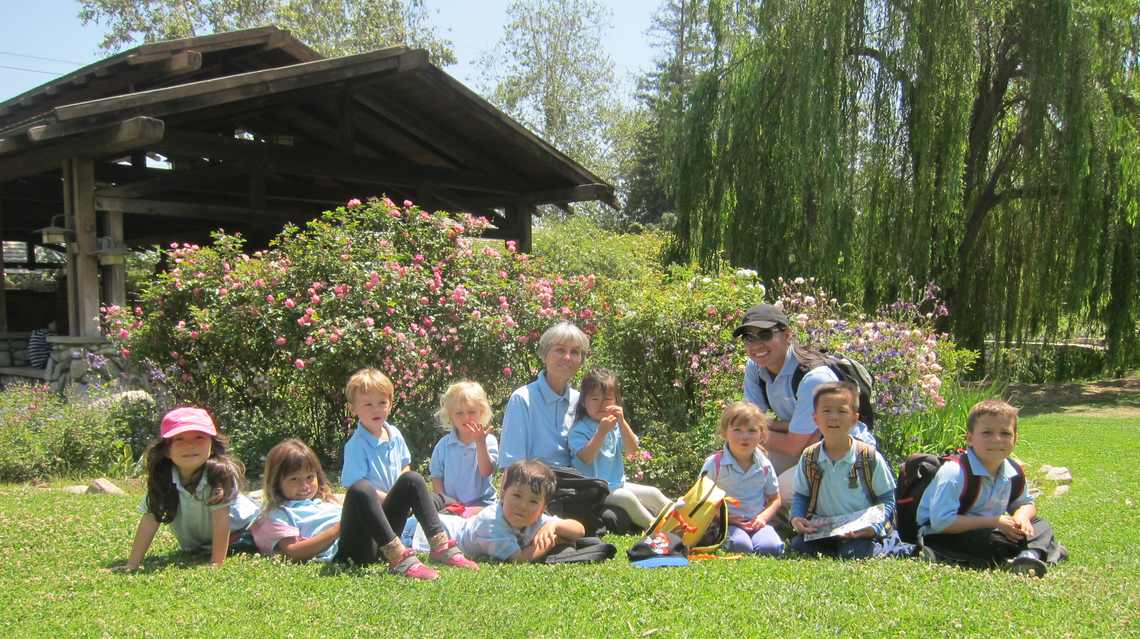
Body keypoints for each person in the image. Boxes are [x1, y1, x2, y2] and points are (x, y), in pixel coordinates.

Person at [252, 439, 477, 579]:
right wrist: (339, 529)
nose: (304, 486)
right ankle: (400, 560)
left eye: (309, 478)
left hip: (377, 541)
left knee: (412, 479)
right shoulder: (278, 513)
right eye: (294, 479)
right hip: (348, 552)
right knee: (361, 488)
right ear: (276, 482)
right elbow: (292, 552)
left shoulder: (324, 500)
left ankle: (440, 547)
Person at [735, 303, 876, 504]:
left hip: (841, 454)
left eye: (765, 334)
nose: (756, 345)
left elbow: (790, 445)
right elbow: (750, 422)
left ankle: (786, 530)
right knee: (734, 467)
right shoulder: (755, 367)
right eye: (748, 338)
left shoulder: (813, 377)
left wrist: (756, 433)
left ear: (787, 335)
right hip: (807, 443)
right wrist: (783, 429)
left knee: (779, 494)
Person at [916, 400, 1066, 577]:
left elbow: (1026, 503)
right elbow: (941, 522)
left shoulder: (1013, 471)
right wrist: (994, 522)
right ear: (970, 439)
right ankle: (1042, 549)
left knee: (1040, 525)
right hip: (945, 534)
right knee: (995, 541)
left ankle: (1028, 556)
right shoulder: (955, 472)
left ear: (1015, 439)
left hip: (993, 526)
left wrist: (1021, 518)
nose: (997, 439)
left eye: (1005, 433)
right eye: (987, 433)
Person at [121, 407, 258, 571]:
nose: (190, 445)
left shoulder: (219, 475)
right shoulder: (163, 478)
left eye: (199, 437)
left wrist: (216, 563)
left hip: (245, 531)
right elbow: (151, 519)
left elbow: (222, 519)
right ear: (166, 450)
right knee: (197, 553)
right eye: (179, 439)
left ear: (212, 445)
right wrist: (132, 564)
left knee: (257, 538)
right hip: (200, 545)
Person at [788, 382, 911, 559]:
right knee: (799, 547)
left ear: (854, 419)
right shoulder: (809, 457)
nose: (833, 417)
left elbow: (887, 498)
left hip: (859, 530)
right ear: (815, 418)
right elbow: (801, 495)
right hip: (824, 529)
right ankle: (837, 549)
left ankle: (891, 546)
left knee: (853, 553)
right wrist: (797, 518)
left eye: (842, 411)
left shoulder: (868, 457)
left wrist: (872, 529)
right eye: (827, 411)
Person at [569, 369, 671, 529]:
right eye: (595, 399)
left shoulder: (616, 426)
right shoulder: (579, 429)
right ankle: (658, 529)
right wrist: (601, 432)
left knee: (653, 493)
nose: (602, 404)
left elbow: (633, 452)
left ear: (616, 401)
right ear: (583, 402)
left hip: (615, 485)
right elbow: (586, 458)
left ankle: (683, 518)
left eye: (608, 399)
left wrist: (622, 423)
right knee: (627, 499)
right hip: (593, 490)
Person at [499, 321, 590, 469]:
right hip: (533, 485)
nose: (567, 357)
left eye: (574, 352)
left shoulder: (580, 401)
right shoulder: (523, 399)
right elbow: (512, 463)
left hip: (577, 484)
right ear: (544, 354)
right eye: (560, 350)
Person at [457, 459, 586, 562]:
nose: (523, 506)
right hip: (449, 534)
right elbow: (519, 559)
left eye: (533, 501)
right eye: (517, 496)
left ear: (543, 508)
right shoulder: (491, 522)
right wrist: (551, 542)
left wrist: (554, 525)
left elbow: (580, 530)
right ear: (503, 494)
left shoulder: (537, 518)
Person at [700, 401, 784, 555]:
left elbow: (775, 499)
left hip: (756, 523)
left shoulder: (764, 465)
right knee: (740, 546)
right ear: (725, 432)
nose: (744, 436)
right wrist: (726, 519)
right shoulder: (715, 464)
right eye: (737, 430)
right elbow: (701, 500)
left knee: (771, 548)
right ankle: (730, 541)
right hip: (725, 523)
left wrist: (762, 518)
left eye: (752, 430)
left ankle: (760, 539)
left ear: (762, 434)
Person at [340, 368, 411, 498]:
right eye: (368, 404)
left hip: (398, 504)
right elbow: (355, 487)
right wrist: (389, 500)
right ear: (353, 409)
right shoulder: (356, 445)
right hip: (373, 509)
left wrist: (400, 493)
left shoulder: (394, 434)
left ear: (390, 405)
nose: (376, 409)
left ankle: (432, 516)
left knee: (414, 479)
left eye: (382, 403)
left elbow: (405, 465)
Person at [429, 381, 498, 514]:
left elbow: (486, 471)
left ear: (482, 412)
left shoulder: (488, 440)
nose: (466, 417)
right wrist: (444, 499)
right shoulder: (444, 445)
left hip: (482, 503)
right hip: (451, 502)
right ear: (450, 416)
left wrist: (480, 443)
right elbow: (436, 477)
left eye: (471, 412)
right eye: (459, 413)